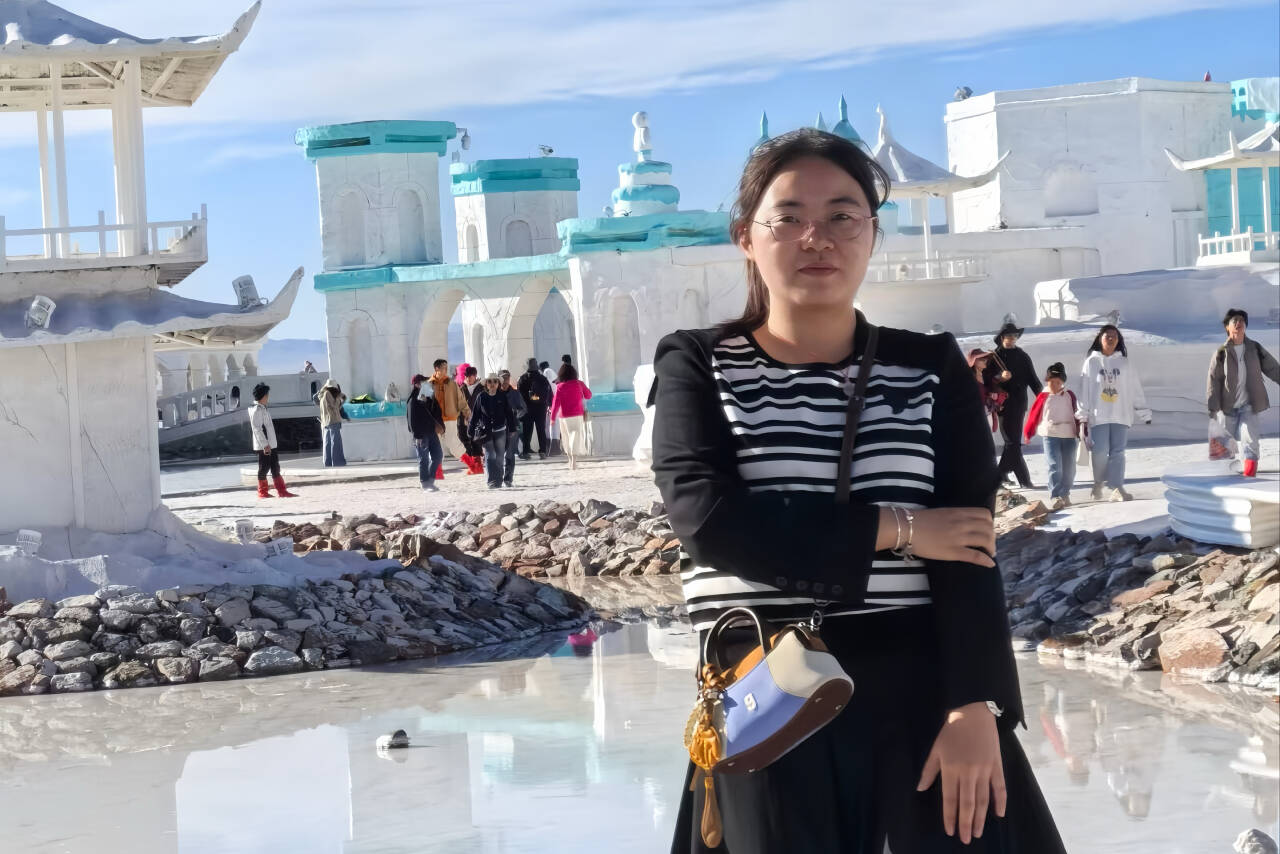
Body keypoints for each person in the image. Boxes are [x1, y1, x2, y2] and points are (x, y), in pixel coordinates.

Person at [650, 127, 1064, 853]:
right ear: (746, 237)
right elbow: (708, 519)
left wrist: (977, 702)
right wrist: (900, 529)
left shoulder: (929, 366)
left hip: (923, 692)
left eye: (843, 215)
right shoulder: (698, 363)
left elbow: (969, 547)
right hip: (765, 690)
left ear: (873, 234)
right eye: (789, 217)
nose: (818, 237)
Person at [1076, 325, 1152, 502]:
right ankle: (1098, 482)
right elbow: (1084, 389)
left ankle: (1117, 487)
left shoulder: (1125, 363)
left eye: (1114, 336)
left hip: (1121, 414)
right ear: (1100, 339)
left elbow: (1135, 388)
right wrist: (1083, 415)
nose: (1111, 339)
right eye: (1107, 336)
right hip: (1099, 415)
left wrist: (1143, 411)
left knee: (1118, 452)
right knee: (1100, 451)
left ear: (1119, 340)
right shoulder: (1091, 362)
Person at [1207, 308, 1280, 477]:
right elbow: (1213, 381)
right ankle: (1224, 478)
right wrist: (1213, 407)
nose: (1238, 323)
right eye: (1234, 321)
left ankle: (1249, 477)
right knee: (1224, 444)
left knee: (1250, 441)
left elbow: (1273, 368)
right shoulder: (1221, 352)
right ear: (1227, 327)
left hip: (1249, 404)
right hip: (1227, 406)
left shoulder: (1255, 348)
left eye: (1241, 320)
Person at [984, 321, 1041, 489]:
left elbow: (1033, 380)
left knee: (1013, 442)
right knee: (1012, 442)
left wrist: (1043, 398)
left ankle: (1001, 474)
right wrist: (999, 378)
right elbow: (986, 380)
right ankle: (1022, 480)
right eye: (1009, 336)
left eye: (1015, 336)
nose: (1012, 338)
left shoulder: (1023, 356)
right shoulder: (993, 357)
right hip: (1001, 405)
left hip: (1019, 403)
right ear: (1002, 337)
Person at [1022, 363, 1082, 510]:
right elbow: (1034, 415)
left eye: (1058, 382)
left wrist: (1081, 431)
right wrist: (1028, 432)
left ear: (1062, 382)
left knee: (1069, 467)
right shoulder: (1044, 396)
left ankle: (1065, 493)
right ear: (1047, 381)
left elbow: (1077, 413)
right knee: (1054, 465)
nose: (1054, 385)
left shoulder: (1069, 395)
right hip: (1050, 434)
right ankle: (1055, 495)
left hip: (1068, 434)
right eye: (1051, 381)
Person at [469, 373, 519, 488]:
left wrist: (512, 429)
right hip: (486, 432)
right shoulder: (481, 396)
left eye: (495, 381)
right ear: (486, 384)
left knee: (500, 456)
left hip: (500, 430)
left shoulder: (502, 396)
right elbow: (475, 414)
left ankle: (499, 480)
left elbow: (509, 413)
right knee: (490, 454)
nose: (492, 384)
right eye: (490, 381)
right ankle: (492, 481)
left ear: (498, 384)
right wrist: (470, 430)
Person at [248, 383, 296, 498]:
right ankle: (262, 492)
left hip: (271, 444)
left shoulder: (263, 409)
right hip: (265, 446)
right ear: (263, 396)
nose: (268, 397)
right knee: (264, 467)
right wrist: (265, 445)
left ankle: (282, 491)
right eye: (267, 395)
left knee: (275, 467)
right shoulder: (257, 410)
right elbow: (257, 429)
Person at [428, 359, 471, 476]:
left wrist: (467, 412)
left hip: (450, 418)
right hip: (434, 420)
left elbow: (461, 399)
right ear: (436, 369)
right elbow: (422, 402)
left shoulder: (452, 384)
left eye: (446, 367)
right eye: (443, 367)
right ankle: (437, 471)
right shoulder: (428, 384)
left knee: (453, 443)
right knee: (435, 445)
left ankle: (472, 465)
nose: (446, 370)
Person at [550, 362, 592, 470]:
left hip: (563, 416)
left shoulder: (560, 386)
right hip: (577, 415)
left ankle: (569, 460)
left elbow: (555, 403)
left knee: (566, 438)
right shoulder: (579, 384)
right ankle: (573, 461)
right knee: (575, 435)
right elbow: (589, 395)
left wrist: (552, 418)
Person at [407, 374, 445, 492]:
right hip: (421, 435)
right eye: (423, 382)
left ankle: (430, 480)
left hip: (432, 432)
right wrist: (417, 436)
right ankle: (425, 483)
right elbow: (412, 420)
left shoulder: (429, 397)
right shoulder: (413, 400)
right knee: (423, 459)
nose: (426, 384)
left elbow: (437, 413)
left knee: (438, 456)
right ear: (417, 385)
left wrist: (441, 427)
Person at [518, 358, 553, 459]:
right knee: (541, 429)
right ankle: (543, 451)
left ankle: (525, 451)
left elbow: (519, 394)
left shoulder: (522, 379)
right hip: (540, 408)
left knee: (527, 431)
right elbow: (549, 392)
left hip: (527, 408)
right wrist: (548, 404)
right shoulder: (542, 378)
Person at [313, 378, 348, 467]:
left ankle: (327, 462)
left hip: (325, 422)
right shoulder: (328, 394)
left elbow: (325, 406)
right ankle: (338, 462)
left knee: (327, 442)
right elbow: (334, 407)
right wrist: (340, 399)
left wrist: (339, 399)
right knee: (336, 442)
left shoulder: (322, 395)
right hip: (333, 420)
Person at [459, 365, 486, 475]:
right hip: (463, 419)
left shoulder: (481, 388)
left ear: (475, 376)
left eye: (470, 376)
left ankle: (478, 466)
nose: (468, 378)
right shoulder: (461, 388)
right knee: (464, 440)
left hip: (477, 419)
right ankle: (473, 466)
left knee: (476, 441)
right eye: (466, 376)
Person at [500, 370, 526, 479]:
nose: (505, 381)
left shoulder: (515, 393)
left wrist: (514, 415)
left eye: (507, 378)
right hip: (498, 428)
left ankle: (508, 478)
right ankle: (498, 476)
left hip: (512, 427)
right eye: (503, 378)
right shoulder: (495, 394)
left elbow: (523, 409)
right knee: (498, 455)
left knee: (510, 454)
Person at [541, 360, 562, 456]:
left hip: (552, 404)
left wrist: (548, 403)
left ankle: (553, 448)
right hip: (556, 403)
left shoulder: (547, 372)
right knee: (553, 424)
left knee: (551, 425)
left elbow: (549, 389)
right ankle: (554, 448)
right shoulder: (553, 373)